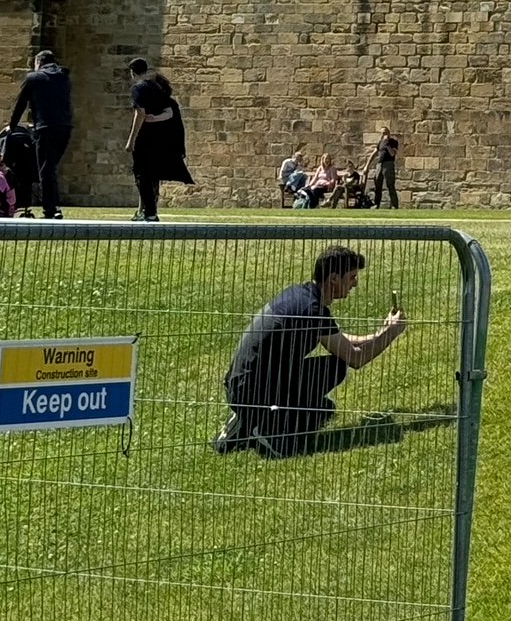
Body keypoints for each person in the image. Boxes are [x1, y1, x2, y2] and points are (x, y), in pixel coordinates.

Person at [214, 245, 406, 458]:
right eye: (351, 277)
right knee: (330, 384)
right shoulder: (313, 311)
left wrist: (381, 331)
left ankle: (245, 423)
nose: (355, 283)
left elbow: (341, 341)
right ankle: (269, 432)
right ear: (334, 278)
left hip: (240, 384)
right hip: (251, 391)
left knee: (322, 404)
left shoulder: (302, 296)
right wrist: (392, 332)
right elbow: (355, 358)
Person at [123, 57, 193, 223]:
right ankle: (145, 210)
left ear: (132, 72)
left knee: (142, 175)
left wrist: (131, 140)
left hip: (146, 138)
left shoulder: (139, 88)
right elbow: (169, 109)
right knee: (152, 175)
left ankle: (149, 212)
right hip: (162, 138)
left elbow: (140, 114)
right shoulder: (158, 86)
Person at [6, 49, 73, 219]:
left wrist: (11, 126)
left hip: (45, 128)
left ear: (39, 62)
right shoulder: (64, 77)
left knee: (46, 169)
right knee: (50, 168)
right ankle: (54, 206)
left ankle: (50, 209)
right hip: (65, 128)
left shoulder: (33, 78)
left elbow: (20, 105)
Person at [368, 130, 401, 210]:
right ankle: (376, 204)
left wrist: (387, 144)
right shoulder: (380, 142)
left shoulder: (393, 142)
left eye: (385, 132)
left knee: (390, 185)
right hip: (380, 164)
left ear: (389, 133)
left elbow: (392, 154)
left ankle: (394, 205)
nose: (384, 134)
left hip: (388, 164)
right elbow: (374, 153)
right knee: (377, 184)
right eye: (382, 133)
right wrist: (367, 165)